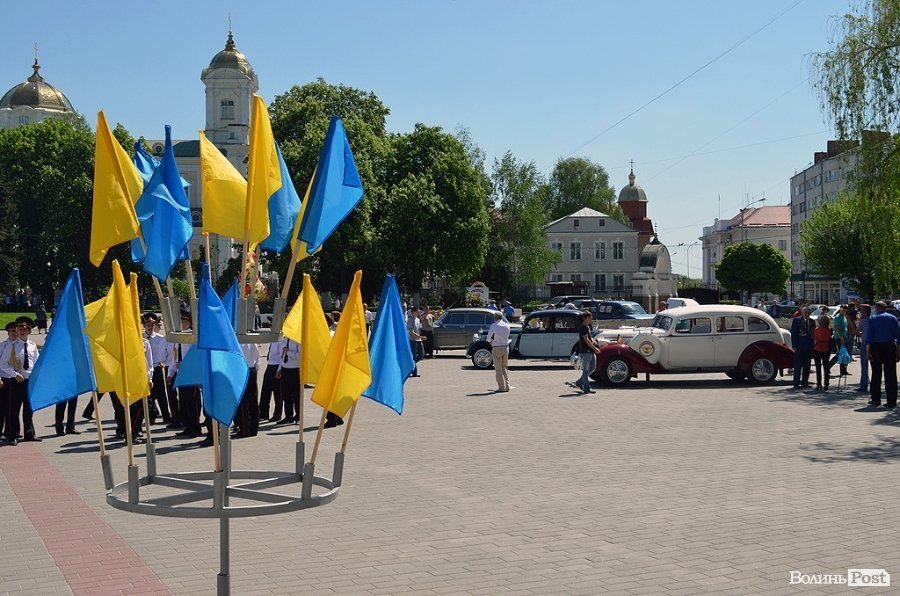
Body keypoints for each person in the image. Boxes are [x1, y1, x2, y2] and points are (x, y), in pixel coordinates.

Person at [0, 316, 42, 444]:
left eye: (24, 329)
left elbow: (36, 363)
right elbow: (3, 364)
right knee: (14, 409)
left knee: (29, 409)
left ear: (29, 331)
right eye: (19, 329)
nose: (22, 331)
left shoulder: (32, 346)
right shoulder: (11, 346)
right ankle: (13, 435)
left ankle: (29, 433)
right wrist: (14, 374)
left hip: (29, 381)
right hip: (17, 381)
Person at [168, 309, 202, 439]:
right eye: (180, 321)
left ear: (189, 322)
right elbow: (175, 356)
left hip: (191, 373)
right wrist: (170, 373)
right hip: (181, 373)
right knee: (184, 402)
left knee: (192, 402)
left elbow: (196, 356)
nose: (182, 323)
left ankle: (195, 427)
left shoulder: (193, 336)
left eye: (184, 321)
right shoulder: (178, 336)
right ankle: (188, 426)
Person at [864, 301, 900, 409]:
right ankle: (891, 401)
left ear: (877, 308)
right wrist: (898, 353)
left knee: (876, 373)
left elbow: (869, 338)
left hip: (876, 347)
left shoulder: (873, 318)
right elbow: (898, 337)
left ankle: (876, 399)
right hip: (889, 346)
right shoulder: (893, 318)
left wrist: (868, 353)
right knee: (891, 374)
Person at [143, 313, 171, 425]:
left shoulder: (160, 338)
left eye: (152, 325)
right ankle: (151, 416)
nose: (150, 327)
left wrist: (163, 362)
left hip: (157, 367)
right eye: (148, 325)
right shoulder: (141, 338)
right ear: (144, 326)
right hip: (146, 369)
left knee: (161, 394)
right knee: (148, 395)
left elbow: (166, 351)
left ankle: (166, 416)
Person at [233, 342, 260, 438]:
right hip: (252, 369)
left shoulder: (240, 341)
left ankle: (245, 430)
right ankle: (253, 429)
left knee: (244, 402)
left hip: (243, 369)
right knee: (253, 401)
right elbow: (257, 357)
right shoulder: (253, 341)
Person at [574, 311, 601, 394]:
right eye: (590, 318)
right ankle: (586, 388)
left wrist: (594, 341)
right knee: (586, 370)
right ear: (586, 318)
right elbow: (586, 340)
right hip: (586, 351)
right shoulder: (583, 327)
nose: (591, 319)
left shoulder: (587, 327)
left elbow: (590, 338)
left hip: (590, 351)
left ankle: (580, 381)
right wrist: (595, 348)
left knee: (593, 367)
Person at [276, 338, 300, 424]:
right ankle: (288, 416)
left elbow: (300, 356)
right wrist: (279, 369)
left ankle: (298, 416)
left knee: (296, 395)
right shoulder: (285, 339)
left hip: (295, 370)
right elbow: (282, 356)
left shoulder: (298, 339)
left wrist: (288, 352)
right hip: (285, 369)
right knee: (286, 395)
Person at [487, 311, 512, 392]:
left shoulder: (494, 325)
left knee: (498, 369)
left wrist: (490, 341)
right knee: (504, 368)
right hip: (505, 347)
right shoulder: (507, 325)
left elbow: (488, 338)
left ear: (495, 317)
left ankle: (501, 387)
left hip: (497, 347)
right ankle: (507, 386)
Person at [259, 339, 283, 422]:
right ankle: (263, 413)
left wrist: (279, 370)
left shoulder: (280, 340)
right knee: (265, 391)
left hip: (276, 366)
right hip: (270, 364)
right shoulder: (273, 338)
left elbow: (282, 356)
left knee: (277, 393)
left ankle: (277, 414)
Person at [790, 307, 814, 388]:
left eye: (808, 313)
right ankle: (796, 383)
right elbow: (794, 333)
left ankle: (805, 382)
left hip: (809, 346)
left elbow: (813, 333)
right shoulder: (797, 320)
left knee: (807, 365)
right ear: (802, 313)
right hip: (799, 346)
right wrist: (794, 345)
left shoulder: (812, 321)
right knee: (798, 365)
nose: (807, 314)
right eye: (805, 312)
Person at [812, 316, 833, 391]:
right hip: (826, 349)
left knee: (818, 368)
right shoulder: (829, 330)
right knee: (826, 368)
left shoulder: (817, 330)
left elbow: (814, 339)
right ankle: (826, 384)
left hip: (817, 349)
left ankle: (819, 384)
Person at [829, 305, 850, 376]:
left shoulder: (844, 317)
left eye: (845, 310)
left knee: (843, 354)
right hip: (839, 338)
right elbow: (836, 328)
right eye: (843, 310)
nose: (844, 311)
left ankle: (843, 370)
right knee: (840, 354)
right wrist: (841, 337)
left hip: (844, 337)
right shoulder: (838, 317)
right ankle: (828, 366)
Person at [857, 304, 872, 393]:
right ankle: (874, 384)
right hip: (873, 344)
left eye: (861, 311)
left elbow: (856, 332)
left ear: (864, 313)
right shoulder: (872, 320)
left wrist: (850, 322)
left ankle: (863, 385)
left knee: (864, 365)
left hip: (864, 344)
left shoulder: (863, 321)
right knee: (874, 366)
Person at [407, 305, 425, 377]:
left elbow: (419, 329)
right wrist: (420, 337)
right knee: (414, 356)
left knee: (421, 355)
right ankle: (414, 373)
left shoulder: (417, 319)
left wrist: (420, 337)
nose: (418, 313)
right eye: (417, 311)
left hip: (419, 340)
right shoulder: (410, 320)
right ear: (413, 312)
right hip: (413, 340)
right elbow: (411, 332)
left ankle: (411, 364)